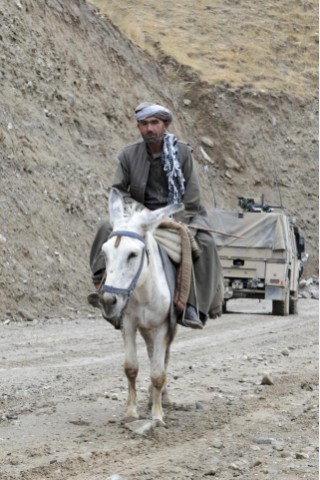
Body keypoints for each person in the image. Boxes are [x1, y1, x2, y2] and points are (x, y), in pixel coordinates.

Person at [88, 102, 223, 329]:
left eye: (154, 123)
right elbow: (118, 192)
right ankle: (103, 288)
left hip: (180, 214)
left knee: (206, 243)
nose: (149, 129)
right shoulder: (128, 155)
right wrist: (144, 214)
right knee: (104, 227)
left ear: (165, 125)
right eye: (144, 124)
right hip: (140, 215)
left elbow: (191, 199)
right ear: (139, 127)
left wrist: (168, 216)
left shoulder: (184, 153)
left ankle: (194, 306)